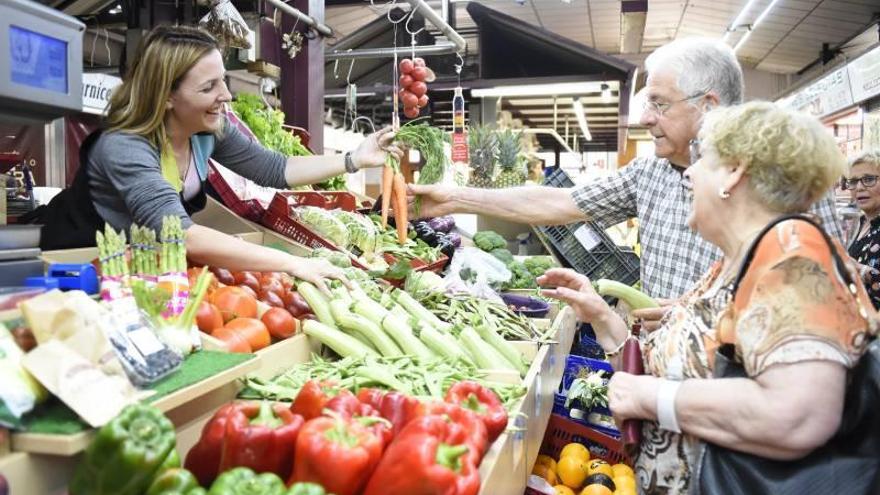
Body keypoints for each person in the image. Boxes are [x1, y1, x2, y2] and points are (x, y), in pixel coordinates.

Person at [538, 101, 876, 494]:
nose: (690, 172)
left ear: (733, 172)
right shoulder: (734, 265)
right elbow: (679, 367)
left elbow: (798, 414)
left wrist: (652, 399)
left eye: (702, 158)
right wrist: (601, 318)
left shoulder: (793, 261)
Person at [408, 38, 842, 328]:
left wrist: (692, 316)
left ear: (708, 106)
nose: (644, 118)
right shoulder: (650, 171)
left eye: (659, 103)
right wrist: (453, 198)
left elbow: (821, 307)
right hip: (664, 368)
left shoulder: (786, 178)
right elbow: (559, 202)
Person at [33, 25, 401, 291]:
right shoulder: (124, 147)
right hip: (75, 264)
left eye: (223, 80)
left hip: (136, 268)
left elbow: (275, 169)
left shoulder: (208, 131)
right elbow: (184, 237)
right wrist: (294, 263)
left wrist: (355, 159)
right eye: (209, 87)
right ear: (166, 97)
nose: (225, 94)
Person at [844, 151, 880, 308]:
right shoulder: (860, 221)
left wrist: (860, 269)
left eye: (869, 179)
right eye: (852, 181)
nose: (859, 187)